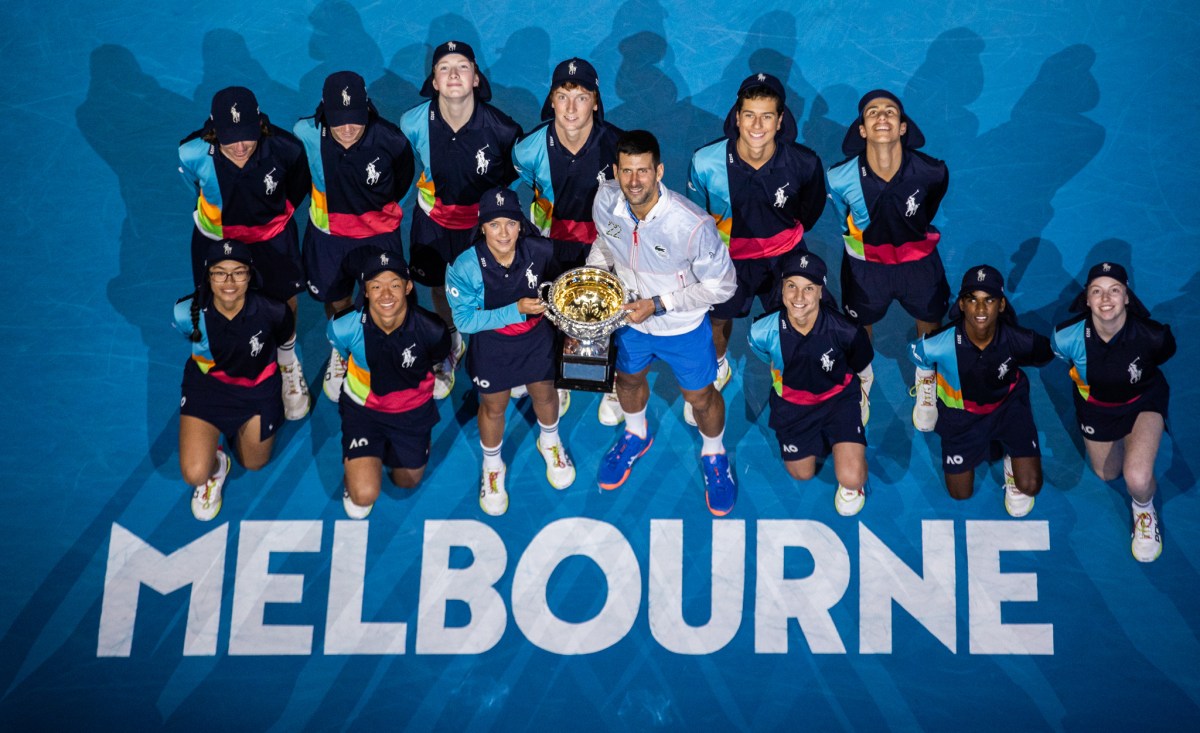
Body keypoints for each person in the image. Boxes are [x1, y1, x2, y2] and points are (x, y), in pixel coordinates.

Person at [587, 130, 738, 515]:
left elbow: (722, 286)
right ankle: (636, 433)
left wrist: (659, 304)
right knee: (628, 380)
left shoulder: (691, 225)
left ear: (659, 171)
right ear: (616, 172)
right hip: (630, 321)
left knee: (701, 398)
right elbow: (606, 242)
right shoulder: (606, 199)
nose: (634, 181)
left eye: (642, 171)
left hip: (682, 327)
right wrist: (594, 279)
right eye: (626, 172)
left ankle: (714, 453)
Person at [687, 72, 828, 427]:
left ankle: (792, 379)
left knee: (797, 321)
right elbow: (696, 217)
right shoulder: (705, 162)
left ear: (781, 120)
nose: (757, 124)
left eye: (767, 116)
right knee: (718, 319)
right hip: (726, 260)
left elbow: (809, 211)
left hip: (784, 257)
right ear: (737, 116)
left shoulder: (804, 163)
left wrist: (782, 241)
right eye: (749, 114)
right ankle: (719, 365)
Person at [179, 86, 312, 420]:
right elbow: (196, 190)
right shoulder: (191, 152)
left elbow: (298, 186)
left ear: (260, 123)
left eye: (248, 136)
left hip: (271, 239)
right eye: (230, 138)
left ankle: (286, 361)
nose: (240, 146)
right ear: (213, 129)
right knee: (216, 300)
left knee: (284, 299)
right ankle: (232, 360)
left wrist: (276, 218)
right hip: (215, 240)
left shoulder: (286, 148)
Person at [401, 41, 523, 400]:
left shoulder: (502, 129)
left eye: (462, 66)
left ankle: (500, 351)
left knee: (496, 287)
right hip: (433, 223)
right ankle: (453, 338)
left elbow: (511, 178)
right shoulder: (413, 122)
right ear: (434, 82)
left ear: (475, 78)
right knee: (439, 286)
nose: (453, 73)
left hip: (481, 228)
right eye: (444, 68)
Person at [446, 187, 576, 515]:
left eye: (510, 223)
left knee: (545, 394)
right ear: (482, 227)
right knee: (494, 406)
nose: (503, 232)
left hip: (536, 340)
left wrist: (571, 331)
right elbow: (464, 320)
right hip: (493, 345)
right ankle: (493, 466)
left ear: (520, 225)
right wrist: (516, 309)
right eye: (494, 225)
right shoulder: (465, 266)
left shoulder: (542, 250)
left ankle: (550, 441)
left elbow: (559, 289)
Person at [826, 90, 950, 430]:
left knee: (930, 318)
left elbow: (929, 208)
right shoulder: (839, 177)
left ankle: (926, 376)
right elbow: (842, 218)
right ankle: (863, 377)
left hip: (919, 264)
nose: (882, 116)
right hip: (866, 268)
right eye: (872, 112)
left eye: (890, 112)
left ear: (903, 127)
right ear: (862, 130)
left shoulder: (931, 171)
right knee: (859, 325)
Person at [512, 57, 625, 420]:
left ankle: (614, 381)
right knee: (549, 312)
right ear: (551, 100)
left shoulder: (618, 146)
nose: (571, 107)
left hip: (604, 245)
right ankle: (555, 375)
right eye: (563, 96)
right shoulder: (527, 149)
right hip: (550, 243)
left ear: (595, 100)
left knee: (611, 312)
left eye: (581, 96)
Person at [293, 71, 416, 403]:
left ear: (368, 109)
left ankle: (374, 350)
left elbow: (403, 178)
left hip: (378, 236)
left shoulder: (391, 140)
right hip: (327, 237)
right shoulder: (305, 133)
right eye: (338, 120)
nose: (348, 128)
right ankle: (342, 347)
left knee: (380, 298)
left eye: (355, 119)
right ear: (323, 112)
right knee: (336, 298)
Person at [1053, 262, 1175, 561]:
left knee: (1136, 477)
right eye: (1097, 291)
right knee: (1107, 474)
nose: (1106, 299)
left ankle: (1143, 512)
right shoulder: (1065, 338)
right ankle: (1128, 445)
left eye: (1114, 290)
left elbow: (1161, 359)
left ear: (1127, 297)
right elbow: (1065, 361)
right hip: (1096, 409)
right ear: (1087, 299)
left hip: (1142, 402)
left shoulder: (1154, 336)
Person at [908, 265, 1053, 517]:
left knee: (1029, 485)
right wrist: (926, 390)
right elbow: (917, 354)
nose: (981, 308)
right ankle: (995, 446)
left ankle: (1012, 461)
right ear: (962, 305)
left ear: (1002, 305)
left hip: (1008, 408)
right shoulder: (941, 342)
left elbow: (1046, 352)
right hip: (960, 415)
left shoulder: (1019, 339)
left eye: (989, 300)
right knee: (959, 493)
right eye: (972, 299)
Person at [327, 248, 451, 519]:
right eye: (376, 285)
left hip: (413, 411)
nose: (386, 294)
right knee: (363, 494)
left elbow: (440, 353)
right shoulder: (344, 327)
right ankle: (363, 459)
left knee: (407, 480)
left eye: (394, 284)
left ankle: (390, 448)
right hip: (363, 410)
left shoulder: (432, 330)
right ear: (366, 290)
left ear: (408, 287)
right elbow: (342, 350)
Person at [174, 239, 294, 521]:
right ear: (208, 276)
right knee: (194, 473)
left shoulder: (273, 310)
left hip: (257, 392)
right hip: (208, 389)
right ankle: (215, 465)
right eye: (219, 272)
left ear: (249, 275)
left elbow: (284, 339)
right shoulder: (185, 313)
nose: (229, 281)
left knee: (254, 462)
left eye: (238, 272)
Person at [747, 251, 871, 515]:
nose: (799, 297)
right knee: (801, 473)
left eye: (808, 288)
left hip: (838, 401)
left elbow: (862, 367)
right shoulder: (762, 331)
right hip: (792, 407)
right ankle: (832, 442)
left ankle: (852, 473)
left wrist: (860, 393)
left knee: (851, 476)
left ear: (820, 292)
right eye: (791, 286)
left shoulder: (846, 330)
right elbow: (765, 356)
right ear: (781, 288)